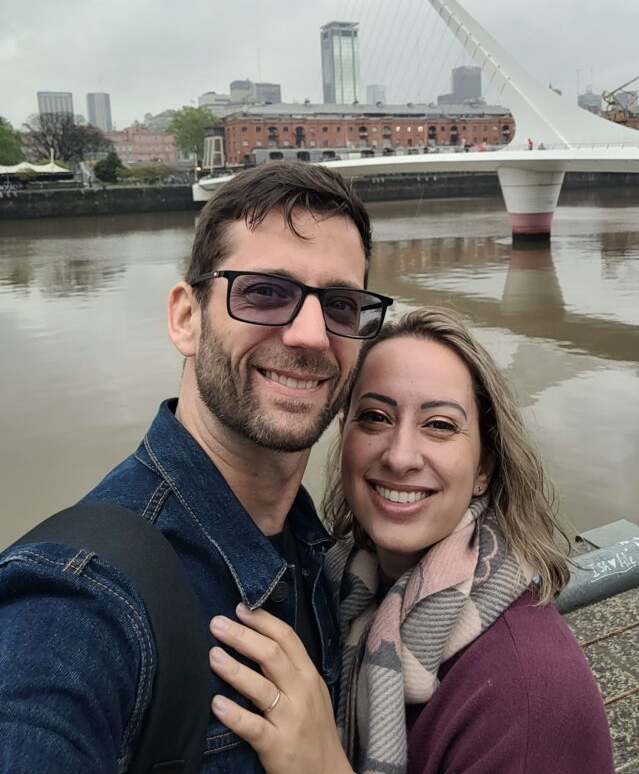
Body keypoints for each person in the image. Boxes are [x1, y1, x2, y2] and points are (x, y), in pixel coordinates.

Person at [0, 161, 392, 773]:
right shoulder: (79, 602)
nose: (312, 335)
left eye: (341, 304)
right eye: (265, 292)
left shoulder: (320, 552)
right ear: (186, 317)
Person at [208, 307, 615, 774]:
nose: (400, 457)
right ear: (344, 437)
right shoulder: (339, 594)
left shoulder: (528, 696)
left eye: (440, 425)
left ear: (485, 465)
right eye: (376, 417)